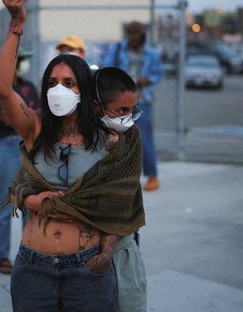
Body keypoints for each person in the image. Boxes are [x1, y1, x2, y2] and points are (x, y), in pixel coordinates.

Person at [0, 0, 145, 311]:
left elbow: (119, 205)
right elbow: (4, 90)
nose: (57, 90)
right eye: (51, 83)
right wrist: (16, 25)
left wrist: (105, 253)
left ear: (84, 91)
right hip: (33, 269)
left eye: (68, 83)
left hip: (88, 270)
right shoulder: (36, 128)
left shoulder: (108, 139)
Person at [93, 66, 147, 312]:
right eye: (121, 110)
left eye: (131, 110)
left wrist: (108, 250)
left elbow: (122, 193)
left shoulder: (131, 135)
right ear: (97, 107)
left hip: (121, 245)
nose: (127, 117)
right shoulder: (79, 138)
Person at [0, 49, 39, 274]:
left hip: (29, 145)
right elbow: (7, 118)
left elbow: (40, 113)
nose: (24, 64)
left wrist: (25, 116)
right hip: (7, 146)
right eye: (21, 60)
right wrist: (28, 115)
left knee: (30, 203)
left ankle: (30, 252)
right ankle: (2, 255)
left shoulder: (29, 87)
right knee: (5, 202)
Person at [101, 21, 163, 191]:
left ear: (142, 36)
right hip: (120, 101)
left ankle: (152, 176)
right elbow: (106, 66)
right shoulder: (118, 49)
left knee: (144, 139)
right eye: (130, 36)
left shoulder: (151, 53)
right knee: (116, 139)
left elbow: (157, 73)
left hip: (142, 99)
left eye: (136, 36)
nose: (133, 40)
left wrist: (147, 80)